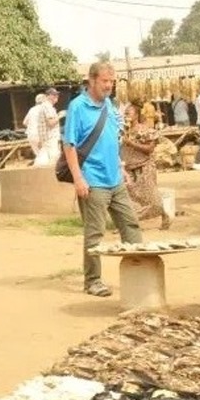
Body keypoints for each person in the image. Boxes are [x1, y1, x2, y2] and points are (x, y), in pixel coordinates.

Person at [62, 62, 143, 297]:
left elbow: (113, 139)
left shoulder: (110, 104)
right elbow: (69, 145)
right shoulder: (77, 107)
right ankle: (93, 280)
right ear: (92, 80)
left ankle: (138, 270)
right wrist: (78, 178)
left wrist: (121, 167)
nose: (109, 85)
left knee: (131, 225)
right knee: (95, 233)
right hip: (93, 180)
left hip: (115, 179)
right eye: (105, 81)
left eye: (111, 81)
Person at [122, 105, 170, 230]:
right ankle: (128, 223)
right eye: (125, 113)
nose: (126, 115)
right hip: (128, 169)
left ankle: (162, 213)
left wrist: (131, 143)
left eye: (129, 113)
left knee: (151, 198)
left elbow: (150, 149)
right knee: (130, 198)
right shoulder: (122, 131)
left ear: (136, 115)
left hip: (145, 166)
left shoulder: (145, 130)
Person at [23, 93, 46, 161]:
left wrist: (32, 126)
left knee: (38, 155)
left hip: (31, 135)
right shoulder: (45, 109)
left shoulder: (31, 109)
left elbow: (24, 123)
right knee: (45, 156)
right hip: (42, 135)